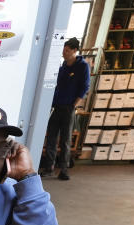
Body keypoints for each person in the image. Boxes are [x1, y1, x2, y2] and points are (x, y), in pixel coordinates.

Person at [40, 37, 90, 181]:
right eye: (63, 50)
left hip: (68, 108)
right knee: (51, 139)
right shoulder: (63, 67)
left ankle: (64, 169)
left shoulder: (82, 66)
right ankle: (49, 168)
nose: (64, 52)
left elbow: (85, 86)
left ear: (75, 51)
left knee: (66, 140)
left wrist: (74, 104)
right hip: (55, 107)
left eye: (67, 50)